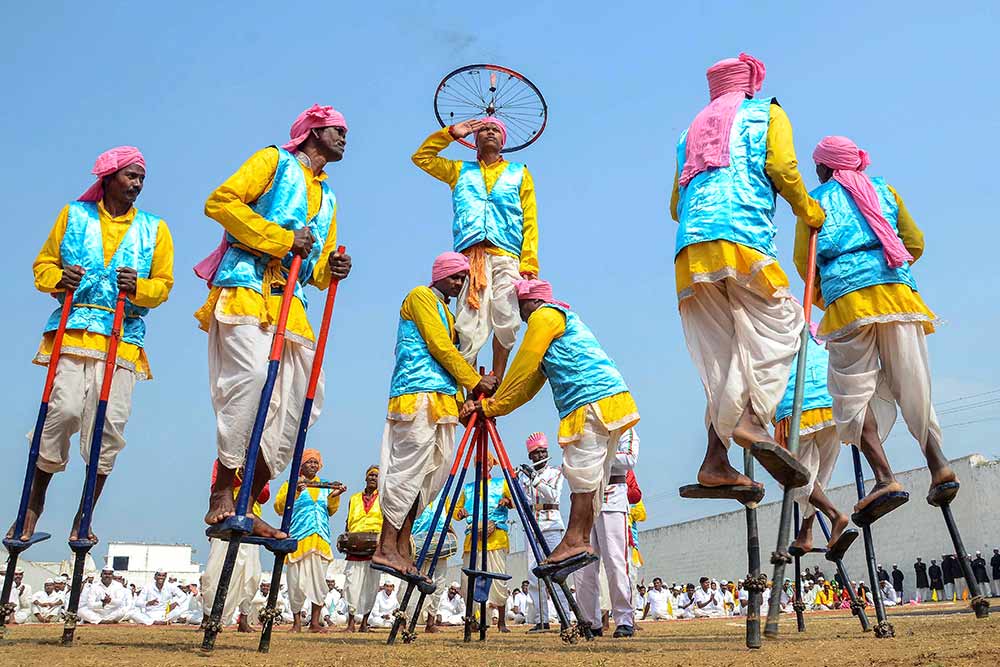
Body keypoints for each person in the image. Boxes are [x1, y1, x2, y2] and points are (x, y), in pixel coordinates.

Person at [671, 53, 824, 493]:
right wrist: (807, 209)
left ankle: (715, 459)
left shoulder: (689, 131)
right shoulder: (766, 113)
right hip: (743, 241)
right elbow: (782, 168)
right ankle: (752, 423)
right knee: (787, 326)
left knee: (726, 362)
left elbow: (675, 205)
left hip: (691, 251)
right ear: (751, 84)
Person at [199, 104, 353, 539]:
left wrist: (332, 269)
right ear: (311, 132)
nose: (344, 138)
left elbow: (318, 266)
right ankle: (222, 491)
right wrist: (282, 239)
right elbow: (220, 202)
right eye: (336, 130)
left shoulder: (329, 196)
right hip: (247, 285)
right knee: (248, 381)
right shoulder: (273, 161)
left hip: (293, 301)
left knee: (302, 405)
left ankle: (248, 501)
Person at [8, 147, 174, 544]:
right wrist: (59, 278)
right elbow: (43, 266)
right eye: (130, 176)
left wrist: (141, 287)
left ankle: (85, 514)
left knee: (108, 428)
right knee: (60, 412)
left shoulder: (155, 228)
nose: (136, 184)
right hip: (74, 331)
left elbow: (163, 286)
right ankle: (32, 505)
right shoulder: (74, 216)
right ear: (109, 177)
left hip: (123, 338)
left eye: (141, 179)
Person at [799, 136, 954, 521]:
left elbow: (805, 264)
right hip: (899, 295)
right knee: (912, 383)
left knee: (851, 396)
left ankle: (885, 477)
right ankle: (939, 466)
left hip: (849, 303)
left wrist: (829, 296)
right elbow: (914, 243)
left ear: (826, 167)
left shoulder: (815, 200)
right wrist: (890, 269)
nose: (815, 171)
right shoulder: (884, 190)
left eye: (817, 165)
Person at [462, 279, 639, 566]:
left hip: (589, 399)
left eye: (520, 308)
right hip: (604, 400)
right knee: (590, 472)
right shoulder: (556, 323)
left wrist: (489, 405)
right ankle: (579, 540)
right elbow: (529, 384)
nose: (519, 315)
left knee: (581, 471)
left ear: (531, 302)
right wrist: (495, 406)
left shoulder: (545, 316)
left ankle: (574, 541)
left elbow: (524, 364)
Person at [373, 252, 497, 580]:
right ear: (440, 274)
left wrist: (461, 404)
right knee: (407, 473)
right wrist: (474, 381)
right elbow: (440, 347)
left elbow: (449, 361)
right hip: (415, 395)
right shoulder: (420, 297)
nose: (459, 285)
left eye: (463, 279)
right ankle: (385, 546)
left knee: (430, 479)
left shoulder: (445, 309)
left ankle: (401, 547)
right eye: (455, 277)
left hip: (441, 403)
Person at [411, 116, 539, 379]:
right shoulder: (460, 170)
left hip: (506, 255)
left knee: (508, 318)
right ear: (474, 140)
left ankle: (497, 381)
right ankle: (470, 387)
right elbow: (422, 158)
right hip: (471, 257)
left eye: (495, 130)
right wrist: (451, 134)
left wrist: (529, 264)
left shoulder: (519, 173)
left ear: (503, 140)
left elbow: (530, 220)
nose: (489, 132)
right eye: (483, 130)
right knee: (469, 324)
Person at [775, 332, 852, 553]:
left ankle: (834, 515)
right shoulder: (815, 329)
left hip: (796, 406)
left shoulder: (771, 327)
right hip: (831, 403)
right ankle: (805, 533)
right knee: (816, 479)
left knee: (791, 478)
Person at [273, 449, 345, 632]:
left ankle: (314, 623)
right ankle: (296, 623)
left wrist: (335, 497)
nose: (312, 465)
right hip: (298, 539)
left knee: (319, 583)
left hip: (320, 540)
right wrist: (295, 492)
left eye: (315, 462)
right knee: (295, 583)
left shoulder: (324, 486)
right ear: (301, 465)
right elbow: (279, 508)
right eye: (309, 462)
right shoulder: (290, 484)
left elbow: (330, 510)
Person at [578, 429, 640, 638]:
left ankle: (624, 619)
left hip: (612, 499)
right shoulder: (587, 428)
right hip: (586, 500)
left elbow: (630, 458)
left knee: (615, 563)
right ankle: (590, 621)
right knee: (584, 568)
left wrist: (597, 455)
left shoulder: (626, 429)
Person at [201, 461, 269, 632]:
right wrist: (240, 476)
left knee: (251, 575)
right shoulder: (224, 460)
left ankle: (243, 619)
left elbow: (265, 495)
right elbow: (217, 487)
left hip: (251, 523)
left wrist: (252, 477)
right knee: (213, 573)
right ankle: (208, 617)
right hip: (225, 518)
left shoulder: (261, 461)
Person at [455, 456, 514, 632]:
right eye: (479, 464)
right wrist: (461, 512)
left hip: (496, 538)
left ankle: (502, 622)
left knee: (498, 580)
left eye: (485, 464)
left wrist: (506, 501)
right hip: (473, 540)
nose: (482, 467)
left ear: (490, 466)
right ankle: (473, 620)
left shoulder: (501, 483)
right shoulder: (468, 488)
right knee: (468, 582)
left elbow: (514, 502)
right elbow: (456, 512)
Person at [517, 432, 567, 632]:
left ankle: (564, 616)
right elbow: (521, 499)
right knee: (533, 574)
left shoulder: (555, 472)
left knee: (556, 571)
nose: (539, 455)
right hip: (532, 527)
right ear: (530, 456)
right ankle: (542, 619)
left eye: (542, 451)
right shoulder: (524, 475)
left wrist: (535, 479)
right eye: (536, 453)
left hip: (552, 525)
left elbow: (553, 495)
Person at [343, 465, 382, 632]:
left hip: (375, 547)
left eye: (377, 476)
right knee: (351, 585)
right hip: (354, 548)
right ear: (366, 478)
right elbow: (348, 521)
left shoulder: (384, 499)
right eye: (371, 475)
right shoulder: (354, 498)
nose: (373, 478)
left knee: (371, 587)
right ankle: (351, 622)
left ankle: (365, 622)